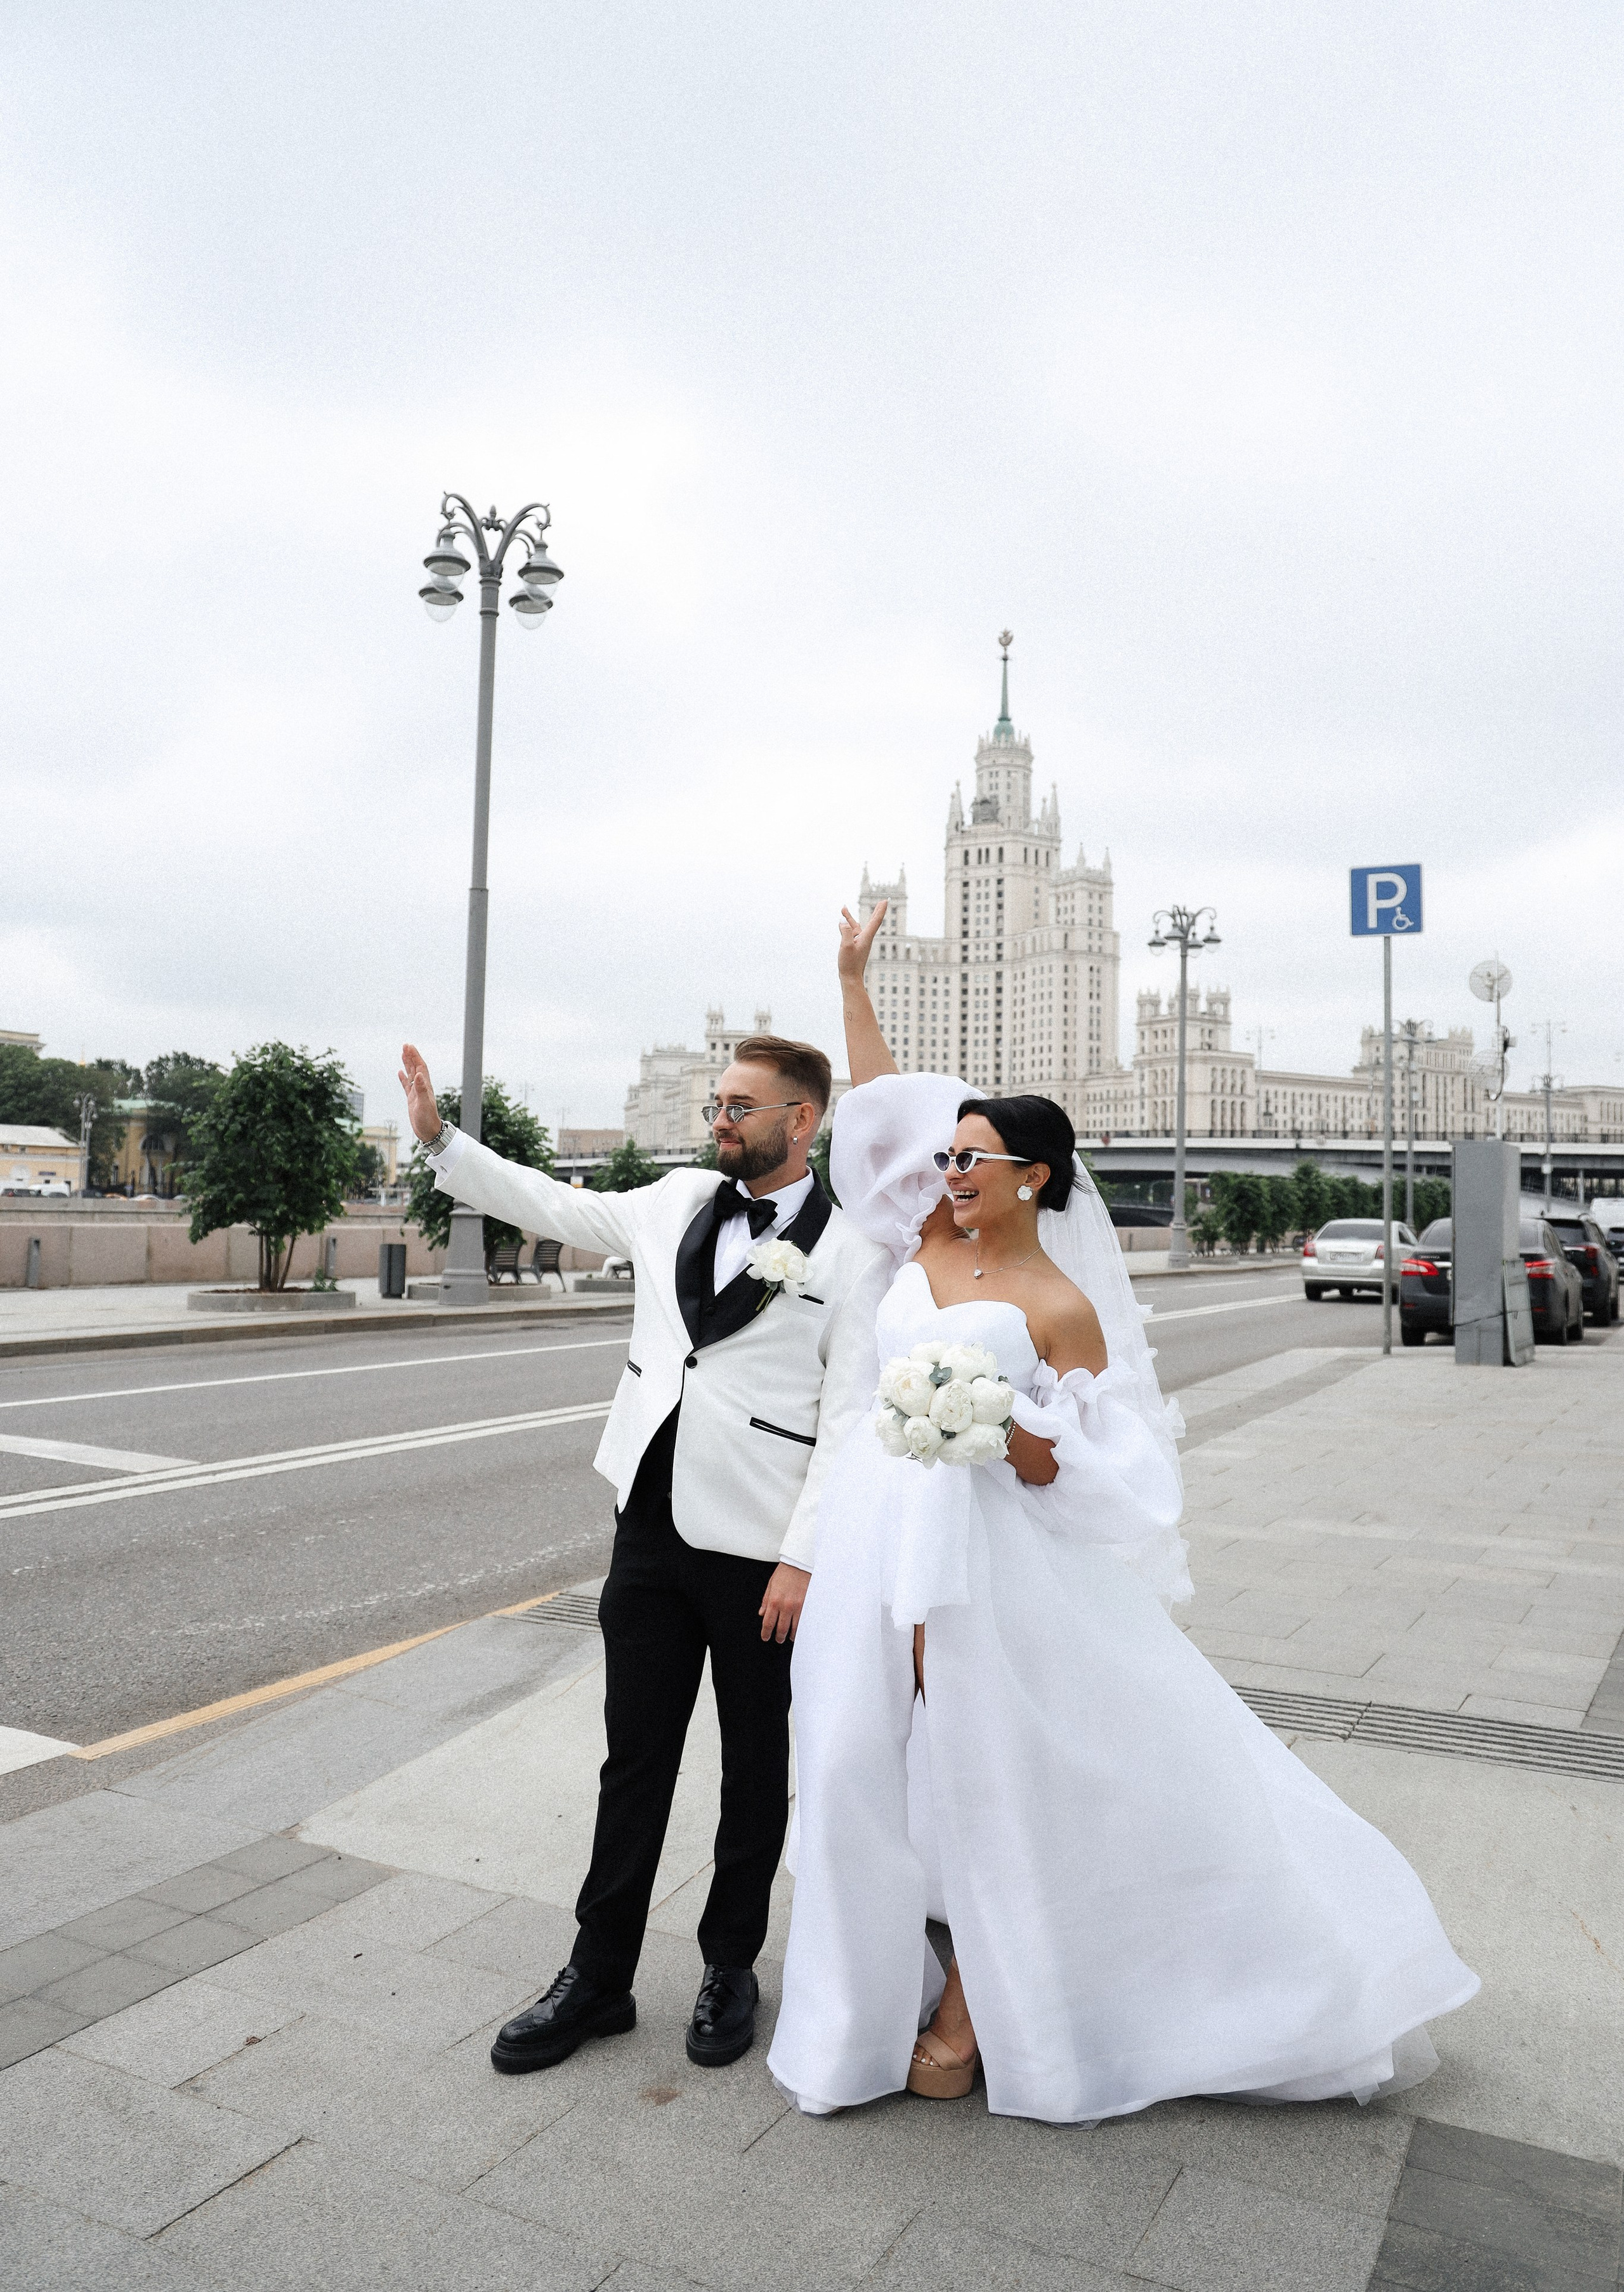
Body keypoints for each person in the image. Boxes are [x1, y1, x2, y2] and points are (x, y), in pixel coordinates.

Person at [765, 904, 1479, 2123]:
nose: (945, 1172)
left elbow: (1093, 1469)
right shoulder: (920, 1240)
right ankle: (864, 2002)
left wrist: (993, 1422)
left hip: (993, 1558)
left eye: (971, 1159)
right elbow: (880, 1111)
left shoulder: (1060, 1306)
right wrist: (849, 979)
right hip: (881, 1536)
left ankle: (979, 2009)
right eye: (947, 1160)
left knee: (996, 1778)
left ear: (1032, 1178)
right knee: (847, 1766)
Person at [398, 1034, 889, 2074]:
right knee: (636, 1761)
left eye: (742, 1106)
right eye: (719, 1102)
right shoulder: (671, 1199)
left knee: (757, 1770)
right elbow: (555, 1206)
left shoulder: (852, 1254)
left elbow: (849, 1421)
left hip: (763, 1555)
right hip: (649, 1534)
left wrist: (804, 1560)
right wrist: (444, 1143)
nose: (722, 1119)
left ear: (801, 1122)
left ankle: (729, 1967)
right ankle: (598, 1974)